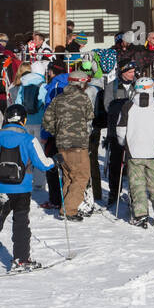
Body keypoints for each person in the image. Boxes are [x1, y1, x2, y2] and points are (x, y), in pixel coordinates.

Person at [0, 105, 55, 269]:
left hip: (1, 188)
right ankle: (21, 259)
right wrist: (55, 160)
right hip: (22, 189)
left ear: (6, 119)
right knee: (21, 224)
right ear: (24, 120)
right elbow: (42, 164)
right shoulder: (29, 139)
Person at [43, 62, 98, 220]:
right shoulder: (83, 98)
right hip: (78, 144)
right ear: (80, 83)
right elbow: (89, 117)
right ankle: (69, 209)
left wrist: (59, 132)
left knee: (68, 176)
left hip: (61, 144)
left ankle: (64, 205)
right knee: (81, 176)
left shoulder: (58, 99)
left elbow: (46, 121)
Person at [115, 77, 154, 229]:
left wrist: (123, 143)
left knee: (137, 184)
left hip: (134, 152)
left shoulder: (128, 106)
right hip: (152, 152)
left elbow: (120, 130)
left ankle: (140, 215)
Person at [102, 62, 137, 208]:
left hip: (134, 131)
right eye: (130, 72)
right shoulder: (112, 86)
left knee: (133, 165)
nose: (132, 74)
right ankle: (114, 193)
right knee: (115, 164)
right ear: (122, 72)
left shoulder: (137, 85)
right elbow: (107, 107)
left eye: (134, 71)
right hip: (116, 131)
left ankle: (134, 194)